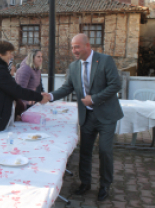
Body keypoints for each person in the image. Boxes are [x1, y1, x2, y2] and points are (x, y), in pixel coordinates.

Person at [46, 33, 123, 201]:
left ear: (87, 46)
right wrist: (50, 96)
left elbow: (115, 84)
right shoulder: (73, 67)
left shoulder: (105, 60)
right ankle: (85, 183)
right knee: (85, 151)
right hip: (86, 116)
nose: (74, 50)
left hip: (107, 115)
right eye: (72, 47)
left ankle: (104, 185)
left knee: (104, 150)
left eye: (77, 46)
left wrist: (94, 98)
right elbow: (67, 88)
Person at [0, 39, 50, 142]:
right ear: (0, 53)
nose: (11, 56)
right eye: (9, 53)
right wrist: (39, 97)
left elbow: (11, 92)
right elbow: (17, 91)